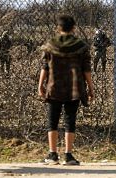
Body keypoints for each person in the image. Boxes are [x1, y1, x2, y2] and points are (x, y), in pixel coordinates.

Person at [38, 15, 94, 165]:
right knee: (70, 120)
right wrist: (90, 87)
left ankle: (52, 154)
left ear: (58, 27)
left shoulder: (50, 44)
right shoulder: (81, 46)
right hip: (74, 88)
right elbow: (86, 69)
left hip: (54, 86)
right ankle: (68, 155)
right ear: (73, 28)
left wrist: (40, 85)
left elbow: (45, 67)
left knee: (53, 120)